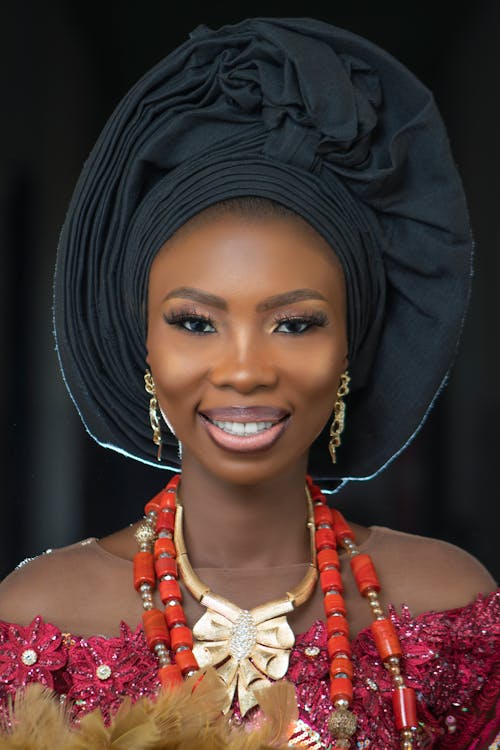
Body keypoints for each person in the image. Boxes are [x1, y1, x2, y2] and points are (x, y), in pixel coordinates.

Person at [0, 16, 498, 750]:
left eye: (295, 324)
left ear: (350, 351)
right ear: (144, 347)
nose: (243, 369)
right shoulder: (36, 618)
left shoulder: (448, 604)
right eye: (195, 323)